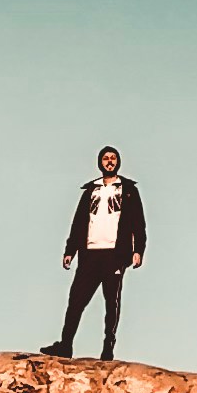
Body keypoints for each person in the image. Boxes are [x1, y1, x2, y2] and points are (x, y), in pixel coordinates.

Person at [48, 143, 146, 362]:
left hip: (115, 254)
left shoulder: (128, 190)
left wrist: (138, 250)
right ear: (99, 163)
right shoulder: (91, 190)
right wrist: (70, 250)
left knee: (111, 302)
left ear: (118, 162)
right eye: (105, 158)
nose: (109, 161)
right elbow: (78, 222)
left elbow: (139, 224)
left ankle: (108, 348)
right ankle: (65, 345)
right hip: (90, 253)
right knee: (76, 301)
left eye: (112, 158)